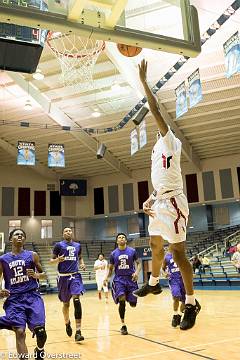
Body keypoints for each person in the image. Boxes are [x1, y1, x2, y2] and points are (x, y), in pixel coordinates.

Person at [133, 59, 201, 330]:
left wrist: (144, 83)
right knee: (155, 246)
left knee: (178, 253)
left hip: (174, 202)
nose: (158, 124)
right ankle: (152, 284)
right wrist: (150, 197)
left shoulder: (170, 139)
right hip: (160, 199)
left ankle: (191, 303)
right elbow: (161, 180)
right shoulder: (155, 151)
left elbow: (155, 108)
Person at [0, 228, 47, 360]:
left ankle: (39, 349)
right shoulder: (3, 259)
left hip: (33, 296)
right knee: (20, 332)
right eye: (16, 234)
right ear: (10, 239)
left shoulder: (32, 255)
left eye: (22, 235)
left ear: (24, 239)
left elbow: (44, 274)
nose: (20, 236)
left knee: (41, 332)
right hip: (14, 299)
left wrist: (37, 275)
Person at [50, 227, 86, 342]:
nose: (68, 232)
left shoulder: (78, 245)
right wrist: (57, 260)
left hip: (75, 276)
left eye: (70, 231)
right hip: (63, 278)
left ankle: (78, 331)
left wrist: (82, 264)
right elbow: (51, 261)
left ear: (72, 233)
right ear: (62, 234)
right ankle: (67, 322)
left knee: (76, 300)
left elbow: (80, 258)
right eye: (65, 231)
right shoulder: (58, 245)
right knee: (66, 304)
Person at [104, 233, 141, 335]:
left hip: (131, 280)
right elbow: (111, 268)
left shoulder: (132, 251)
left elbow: (139, 263)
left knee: (133, 304)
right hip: (119, 280)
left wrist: (136, 273)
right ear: (117, 241)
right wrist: (107, 278)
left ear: (126, 240)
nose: (121, 239)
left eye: (123, 237)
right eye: (119, 237)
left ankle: (131, 299)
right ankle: (123, 325)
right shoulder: (113, 254)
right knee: (122, 300)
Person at [162, 250, 185, 327]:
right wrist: (165, 274)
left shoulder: (181, 254)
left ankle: (180, 316)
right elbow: (162, 268)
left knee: (185, 301)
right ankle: (175, 316)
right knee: (176, 297)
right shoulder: (167, 257)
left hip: (183, 279)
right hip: (173, 279)